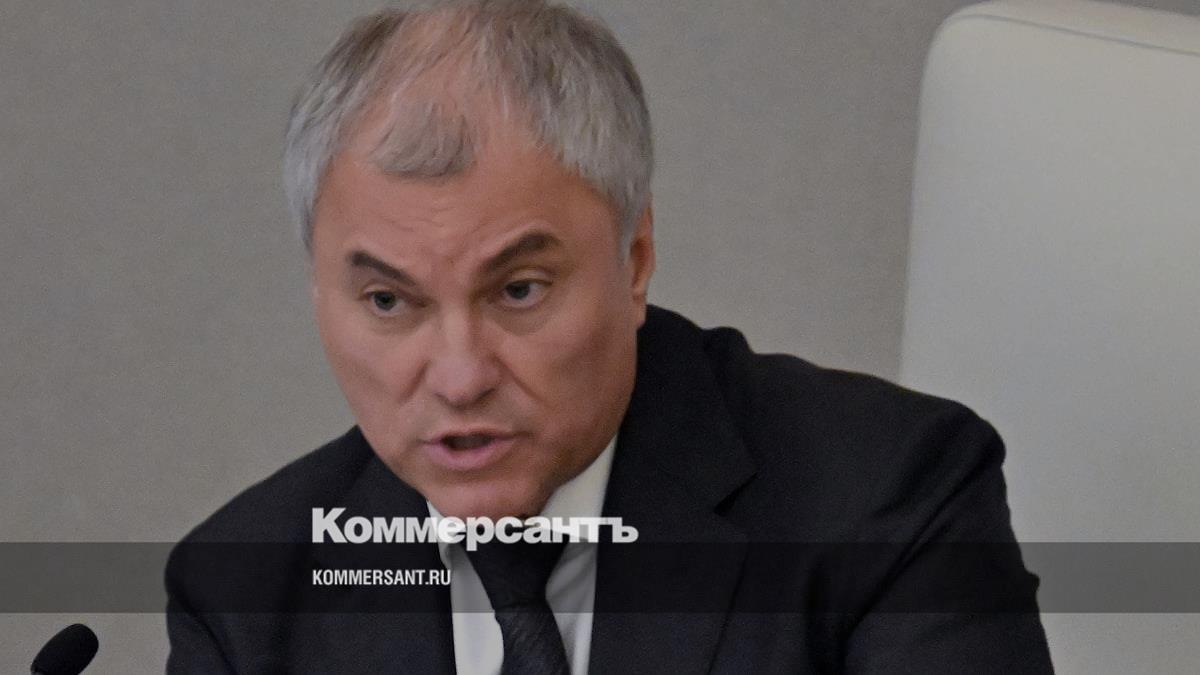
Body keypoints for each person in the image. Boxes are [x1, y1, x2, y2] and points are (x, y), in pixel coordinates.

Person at [165, 0, 1053, 672]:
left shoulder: (888, 499)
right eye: (390, 302)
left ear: (635, 259)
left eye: (519, 290)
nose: (460, 376)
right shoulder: (244, 597)